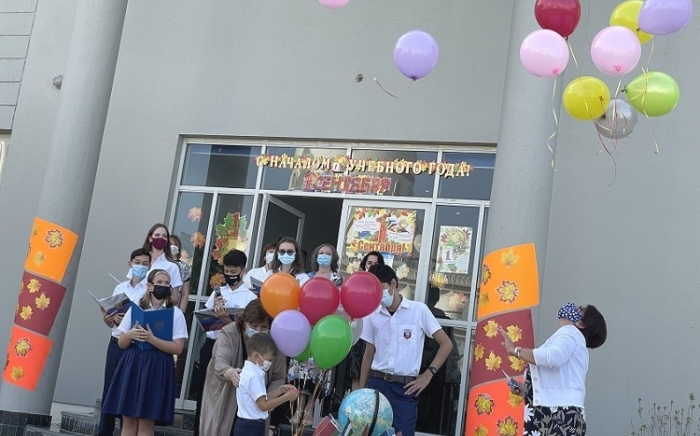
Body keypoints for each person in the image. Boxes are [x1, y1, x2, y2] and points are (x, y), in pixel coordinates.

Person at [359, 264, 454, 436]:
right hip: (377, 384)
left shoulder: (418, 311)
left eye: (380, 289)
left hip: (404, 389)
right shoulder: (373, 314)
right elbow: (368, 354)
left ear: (393, 284)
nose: (377, 295)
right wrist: (361, 392)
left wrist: (428, 374)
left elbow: (446, 344)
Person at [499, 302, 607, 436]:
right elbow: (558, 379)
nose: (575, 307)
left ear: (581, 323)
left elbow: (552, 358)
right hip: (558, 414)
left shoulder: (570, 333)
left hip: (556, 414)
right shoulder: (573, 341)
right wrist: (527, 390)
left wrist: (515, 351)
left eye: (580, 309)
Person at [102, 269, 188, 436]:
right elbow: (121, 343)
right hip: (133, 363)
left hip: (157, 366)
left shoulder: (176, 313)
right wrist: (130, 335)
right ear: (149, 286)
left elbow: (178, 347)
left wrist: (152, 339)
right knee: (128, 420)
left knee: (146, 422)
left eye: (167, 283)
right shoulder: (136, 309)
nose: (163, 286)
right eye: (159, 282)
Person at [199, 299, 288, 436]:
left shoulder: (275, 338)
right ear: (244, 323)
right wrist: (230, 372)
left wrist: (269, 396)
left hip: (255, 410)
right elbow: (220, 362)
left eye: (264, 327)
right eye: (254, 326)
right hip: (227, 396)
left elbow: (279, 375)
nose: (258, 331)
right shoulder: (229, 332)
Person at [193, 249, 258, 436]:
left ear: (243, 271)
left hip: (235, 349)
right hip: (212, 345)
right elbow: (206, 319)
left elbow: (248, 332)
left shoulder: (250, 297)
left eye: (233, 272)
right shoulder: (219, 293)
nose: (230, 275)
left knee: (230, 397)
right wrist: (213, 315)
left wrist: (227, 319)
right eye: (227, 272)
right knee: (204, 393)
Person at [98, 248, 151, 436]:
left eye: (145, 264)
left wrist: (129, 322)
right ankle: (104, 432)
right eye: (137, 263)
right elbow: (110, 315)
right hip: (115, 342)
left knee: (127, 392)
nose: (140, 267)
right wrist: (109, 318)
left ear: (150, 266)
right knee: (109, 389)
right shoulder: (120, 288)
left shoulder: (149, 290)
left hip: (134, 347)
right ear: (130, 264)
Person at [233, 333, 299, 436]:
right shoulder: (254, 376)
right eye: (268, 360)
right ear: (256, 355)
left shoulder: (247, 371)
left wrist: (280, 390)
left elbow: (260, 398)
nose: (269, 363)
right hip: (252, 426)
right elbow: (263, 405)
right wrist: (286, 397)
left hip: (245, 424)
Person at [346, 251, 386, 390]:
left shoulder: (384, 287)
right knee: (356, 375)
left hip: (376, 336)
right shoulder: (357, 284)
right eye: (369, 263)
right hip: (359, 335)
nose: (372, 266)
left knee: (372, 376)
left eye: (376, 263)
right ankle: (356, 402)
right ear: (364, 265)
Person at [127, 223, 183, 290]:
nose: (160, 238)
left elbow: (174, 294)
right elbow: (130, 285)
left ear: (167, 241)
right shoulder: (138, 261)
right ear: (150, 238)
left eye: (164, 236)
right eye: (157, 235)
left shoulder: (172, 266)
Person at [169, 234, 191, 313]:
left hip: (175, 309)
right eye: (170, 244)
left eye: (176, 244)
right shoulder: (160, 263)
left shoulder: (184, 266)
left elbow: (185, 293)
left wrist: (181, 312)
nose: (173, 246)